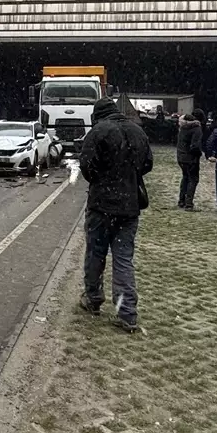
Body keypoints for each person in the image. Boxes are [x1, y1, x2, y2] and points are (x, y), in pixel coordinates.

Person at [78, 97, 153, 333]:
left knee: (95, 254)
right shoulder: (137, 132)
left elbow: (87, 167)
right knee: (123, 259)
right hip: (129, 206)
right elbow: (148, 164)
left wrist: (104, 180)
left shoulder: (98, 132)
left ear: (96, 115)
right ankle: (127, 313)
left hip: (101, 206)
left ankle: (93, 299)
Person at [175, 108, 205, 210]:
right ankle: (189, 204)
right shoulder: (196, 128)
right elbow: (195, 146)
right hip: (191, 158)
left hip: (181, 157)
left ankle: (181, 201)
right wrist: (199, 154)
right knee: (193, 179)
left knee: (185, 178)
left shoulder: (183, 127)